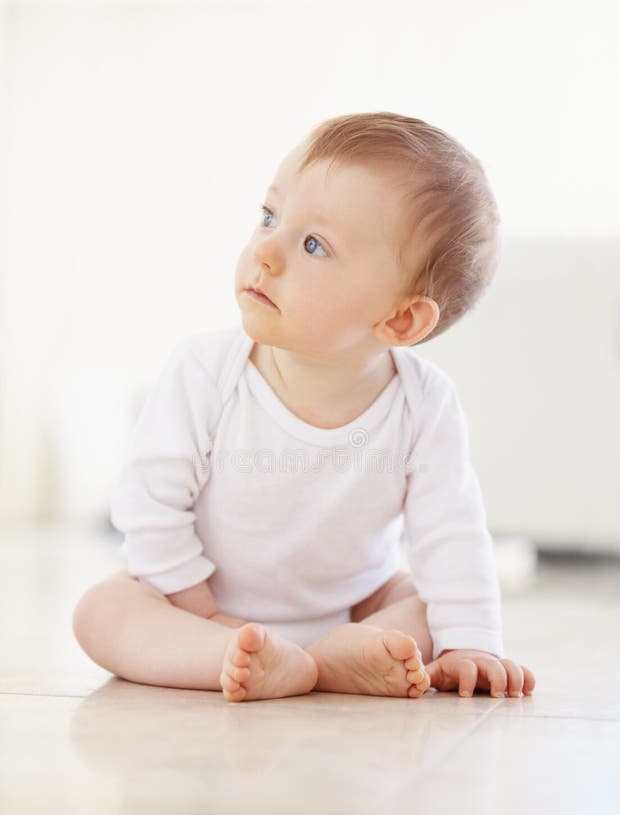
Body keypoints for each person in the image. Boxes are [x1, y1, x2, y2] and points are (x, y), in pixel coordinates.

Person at [73, 111, 536, 704]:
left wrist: (471, 642)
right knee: (103, 611)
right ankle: (237, 656)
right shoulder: (206, 372)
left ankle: (337, 655)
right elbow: (149, 506)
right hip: (202, 606)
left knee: (432, 601)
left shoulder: (424, 404)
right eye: (270, 217)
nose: (265, 251)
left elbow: (452, 531)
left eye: (314, 244)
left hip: (353, 607)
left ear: (399, 319)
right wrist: (205, 615)